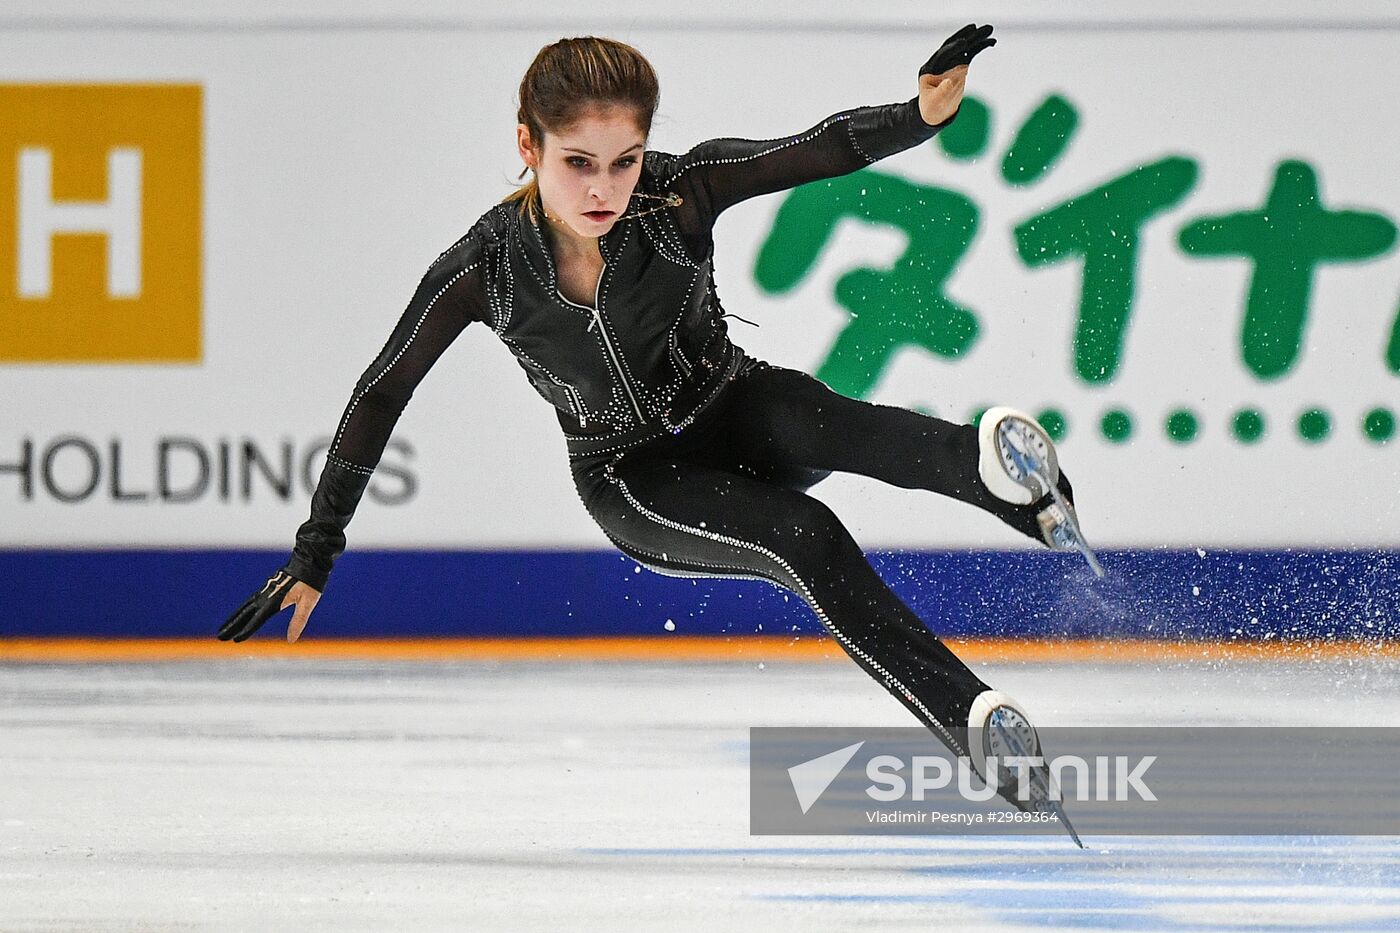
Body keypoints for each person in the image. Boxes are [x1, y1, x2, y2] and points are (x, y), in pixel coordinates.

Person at [218, 27, 1090, 826]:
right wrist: (316, 547)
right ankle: (973, 723)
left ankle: (1009, 484)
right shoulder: (483, 267)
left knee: (833, 424)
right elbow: (381, 391)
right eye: (578, 162)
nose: (604, 188)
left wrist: (918, 115)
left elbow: (811, 149)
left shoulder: (677, 194)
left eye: (624, 160)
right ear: (528, 146)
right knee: (806, 537)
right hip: (634, 477)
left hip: (735, 405)